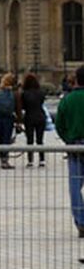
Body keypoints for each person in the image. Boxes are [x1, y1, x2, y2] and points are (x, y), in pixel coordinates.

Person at [57, 65, 84, 238]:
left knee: (75, 186)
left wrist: (68, 139)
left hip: (74, 146)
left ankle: (81, 222)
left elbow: (59, 124)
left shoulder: (67, 99)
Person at [20, 73, 48, 167]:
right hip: (40, 116)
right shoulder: (41, 92)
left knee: (30, 140)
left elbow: (23, 106)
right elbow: (42, 102)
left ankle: (30, 160)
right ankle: (42, 159)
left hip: (29, 117)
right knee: (40, 140)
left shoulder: (24, 93)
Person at [0, 73, 18, 169]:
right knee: (6, 138)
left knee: (0, 137)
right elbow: (17, 108)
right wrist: (19, 120)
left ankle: (2, 158)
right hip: (8, 117)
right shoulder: (14, 92)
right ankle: (5, 159)